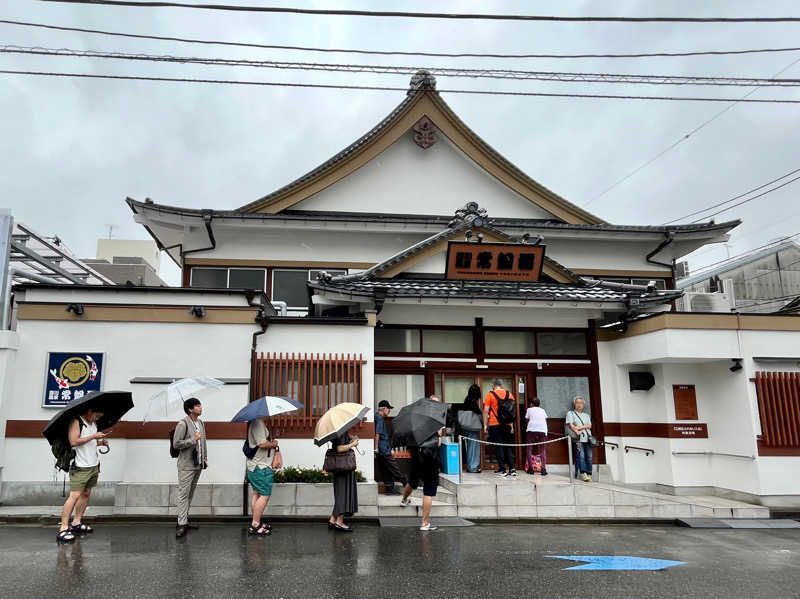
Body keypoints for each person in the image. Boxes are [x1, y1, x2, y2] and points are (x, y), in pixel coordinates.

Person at [57, 406, 108, 543]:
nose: (98, 418)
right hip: (80, 466)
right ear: (90, 411)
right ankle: (63, 528)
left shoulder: (93, 423)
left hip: (93, 464)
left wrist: (100, 442)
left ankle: (76, 522)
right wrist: (93, 436)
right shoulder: (77, 422)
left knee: (86, 494)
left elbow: (89, 442)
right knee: (74, 496)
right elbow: (74, 441)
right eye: (97, 415)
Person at [401, 395, 445, 531]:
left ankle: (403, 500)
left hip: (417, 456)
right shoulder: (436, 420)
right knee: (429, 491)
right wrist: (439, 435)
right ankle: (424, 523)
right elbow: (438, 443)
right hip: (430, 459)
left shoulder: (416, 418)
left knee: (413, 481)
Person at [173, 397, 208, 538]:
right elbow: (176, 444)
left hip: (197, 464)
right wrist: (193, 439)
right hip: (186, 465)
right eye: (197, 406)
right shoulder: (182, 424)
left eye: (200, 405)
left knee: (190, 494)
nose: (201, 407)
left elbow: (204, 442)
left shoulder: (200, 423)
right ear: (190, 409)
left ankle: (185, 520)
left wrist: (204, 459)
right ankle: (181, 524)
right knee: (183, 494)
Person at [246, 417, 281, 536]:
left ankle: (256, 522)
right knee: (265, 495)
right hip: (261, 467)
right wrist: (274, 443)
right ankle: (255, 524)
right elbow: (262, 444)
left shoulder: (257, 423)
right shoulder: (258, 423)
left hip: (256, 466)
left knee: (257, 493)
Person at [483, 379, 517, 477]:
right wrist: (511, 425)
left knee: (499, 446)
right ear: (501, 385)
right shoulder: (509, 394)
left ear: (493, 385)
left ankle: (502, 469)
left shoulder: (490, 394)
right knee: (508, 446)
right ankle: (512, 468)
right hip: (507, 424)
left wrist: (485, 424)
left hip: (495, 424)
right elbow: (511, 411)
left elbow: (486, 411)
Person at [329, 426, 359, 532]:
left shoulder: (338, 431)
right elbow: (339, 448)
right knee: (343, 493)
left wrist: (351, 437)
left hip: (340, 466)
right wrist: (352, 444)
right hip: (344, 467)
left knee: (340, 493)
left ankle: (333, 520)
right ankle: (339, 522)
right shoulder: (341, 431)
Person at [374, 399, 406, 495]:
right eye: (388, 409)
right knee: (394, 467)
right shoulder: (379, 418)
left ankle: (389, 489)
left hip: (382, 448)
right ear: (384, 409)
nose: (389, 411)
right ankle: (406, 483)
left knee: (386, 469)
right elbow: (377, 434)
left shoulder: (376, 417)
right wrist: (376, 448)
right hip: (383, 448)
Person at [566, 396, 593, 482]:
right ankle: (583, 473)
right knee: (581, 456)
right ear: (574, 404)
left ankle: (589, 473)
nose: (579, 405)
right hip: (578, 438)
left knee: (589, 456)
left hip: (588, 438)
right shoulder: (570, 413)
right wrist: (577, 430)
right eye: (577, 403)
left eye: (581, 403)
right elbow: (571, 425)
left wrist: (580, 427)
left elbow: (590, 426)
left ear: (583, 405)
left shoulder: (586, 415)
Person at [458, 384, 483, 473]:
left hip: (466, 426)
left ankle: (471, 466)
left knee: (469, 447)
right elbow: (477, 412)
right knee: (473, 447)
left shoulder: (466, 399)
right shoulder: (473, 402)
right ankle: (473, 467)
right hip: (473, 427)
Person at [524, 397, 548, 476]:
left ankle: (531, 469)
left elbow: (527, 419)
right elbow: (545, 419)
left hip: (532, 430)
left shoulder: (529, 409)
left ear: (531, 404)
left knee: (529, 448)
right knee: (542, 450)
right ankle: (543, 469)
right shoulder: (542, 410)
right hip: (542, 430)